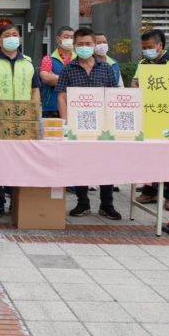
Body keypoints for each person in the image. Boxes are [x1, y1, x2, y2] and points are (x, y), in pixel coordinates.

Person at [0, 23, 40, 218]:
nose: (12, 37)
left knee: (19, 161)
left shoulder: (28, 62)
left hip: (22, 119)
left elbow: (35, 89)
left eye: (15, 34)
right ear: (0, 40)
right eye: (7, 35)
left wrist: (33, 111)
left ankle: (15, 200)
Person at [57, 27, 121, 220]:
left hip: (103, 126)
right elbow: (61, 96)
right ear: (74, 46)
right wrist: (65, 123)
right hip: (78, 125)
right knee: (80, 163)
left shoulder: (106, 68)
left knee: (106, 164)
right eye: (80, 44)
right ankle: (82, 202)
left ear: (95, 45)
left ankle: (107, 204)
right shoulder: (68, 68)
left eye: (88, 44)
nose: (84, 47)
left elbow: (113, 96)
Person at [131, 28, 169, 210]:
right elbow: (135, 83)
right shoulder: (144, 62)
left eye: (150, 46)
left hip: (168, 116)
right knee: (149, 154)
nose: (146, 50)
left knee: (168, 155)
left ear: (160, 45)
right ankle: (150, 191)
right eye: (144, 47)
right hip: (148, 115)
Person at [39, 25, 75, 118]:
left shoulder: (79, 59)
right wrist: (73, 79)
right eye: (66, 37)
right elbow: (46, 78)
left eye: (72, 37)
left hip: (75, 106)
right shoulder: (48, 59)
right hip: (52, 108)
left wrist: (56, 78)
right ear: (58, 39)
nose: (70, 39)